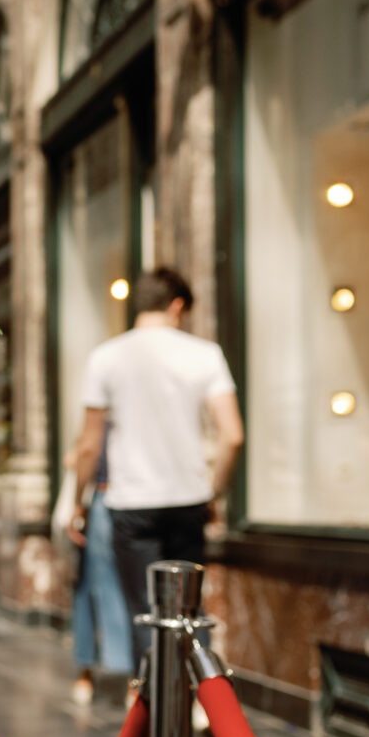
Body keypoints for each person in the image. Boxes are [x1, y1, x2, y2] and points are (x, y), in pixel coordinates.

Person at [70, 267, 243, 661]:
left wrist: (79, 502)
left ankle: (151, 695)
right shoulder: (206, 354)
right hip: (189, 501)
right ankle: (199, 691)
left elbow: (89, 445)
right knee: (189, 612)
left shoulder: (105, 357)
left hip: (132, 504)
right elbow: (232, 435)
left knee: (145, 615)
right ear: (177, 306)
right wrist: (213, 492)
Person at [62, 438, 132, 707]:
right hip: (133, 499)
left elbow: (85, 450)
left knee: (94, 587)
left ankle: (89, 673)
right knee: (127, 589)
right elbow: (83, 450)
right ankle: (130, 679)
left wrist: (78, 502)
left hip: (109, 497)